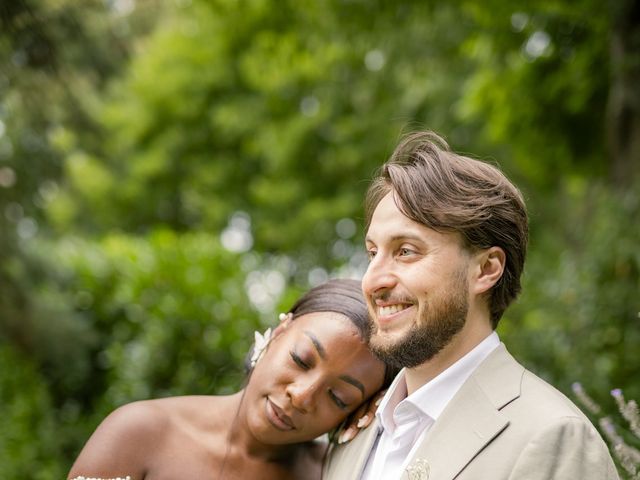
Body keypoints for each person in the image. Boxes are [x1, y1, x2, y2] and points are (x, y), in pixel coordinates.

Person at [323, 132, 619, 479]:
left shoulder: (554, 436)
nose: (374, 280)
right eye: (373, 253)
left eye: (406, 251)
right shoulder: (351, 430)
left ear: (486, 269)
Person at [68, 279, 396, 480]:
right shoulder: (141, 433)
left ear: (358, 412)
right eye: (301, 360)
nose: (301, 396)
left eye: (338, 398)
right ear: (279, 333)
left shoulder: (335, 474)